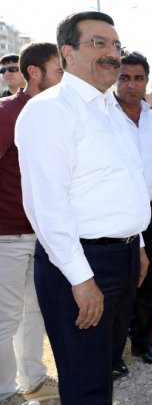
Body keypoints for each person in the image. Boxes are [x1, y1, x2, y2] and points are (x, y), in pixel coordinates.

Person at [15, 11, 151, 404]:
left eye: (115, 45)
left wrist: (137, 243)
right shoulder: (50, 110)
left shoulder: (110, 111)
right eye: (98, 43)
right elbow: (47, 206)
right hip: (79, 265)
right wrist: (80, 279)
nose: (112, 53)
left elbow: (120, 185)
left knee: (102, 369)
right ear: (67, 53)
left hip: (121, 258)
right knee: (85, 383)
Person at [0, 43, 63, 404]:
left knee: (35, 312)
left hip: (41, 234)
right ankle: (5, 392)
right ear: (35, 72)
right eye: (58, 71)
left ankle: (34, 380)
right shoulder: (7, 113)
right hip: (8, 234)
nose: (63, 78)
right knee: (6, 318)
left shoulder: (52, 115)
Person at [111, 52, 152, 377]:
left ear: (147, 81)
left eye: (138, 78)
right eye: (124, 77)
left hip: (150, 211)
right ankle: (114, 352)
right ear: (115, 78)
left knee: (148, 279)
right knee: (122, 282)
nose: (131, 85)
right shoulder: (105, 118)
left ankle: (143, 341)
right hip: (117, 210)